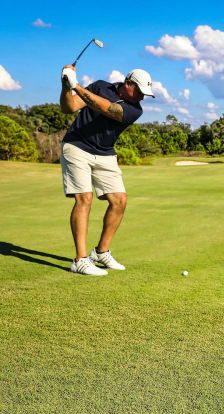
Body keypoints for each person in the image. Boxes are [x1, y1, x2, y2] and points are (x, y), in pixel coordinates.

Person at [59, 66, 154, 275]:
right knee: (84, 198)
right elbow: (70, 107)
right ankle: (80, 260)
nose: (141, 98)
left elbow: (107, 109)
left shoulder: (135, 110)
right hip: (76, 145)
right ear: (128, 83)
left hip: (105, 153)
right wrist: (66, 87)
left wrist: (76, 85)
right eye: (139, 92)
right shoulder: (100, 86)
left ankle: (101, 252)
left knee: (119, 200)